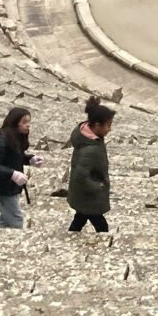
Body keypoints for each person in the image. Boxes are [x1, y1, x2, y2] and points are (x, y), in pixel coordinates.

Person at [65, 98, 114, 232]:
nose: (110, 129)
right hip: (89, 196)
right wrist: (98, 186)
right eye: (108, 125)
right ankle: (104, 240)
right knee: (101, 225)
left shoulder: (90, 138)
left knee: (80, 218)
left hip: (84, 195)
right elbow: (80, 176)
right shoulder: (90, 150)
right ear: (97, 125)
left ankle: (71, 234)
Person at [0, 106, 35, 229]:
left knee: (5, 218)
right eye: (24, 122)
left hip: (11, 186)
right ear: (15, 122)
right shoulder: (2, 141)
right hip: (4, 187)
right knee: (16, 219)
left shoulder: (15, 138)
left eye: (29, 122)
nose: (28, 125)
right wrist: (12, 174)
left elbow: (14, 157)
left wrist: (29, 159)